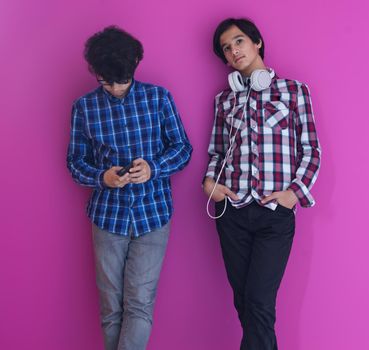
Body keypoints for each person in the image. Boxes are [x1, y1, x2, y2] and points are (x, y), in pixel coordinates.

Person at [67, 26, 192, 350]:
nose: (114, 87)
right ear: (97, 74)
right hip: (108, 219)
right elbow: (75, 162)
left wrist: (154, 168)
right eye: (107, 80)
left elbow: (182, 148)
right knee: (111, 309)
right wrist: (102, 177)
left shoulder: (159, 98)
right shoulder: (84, 107)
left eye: (119, 79)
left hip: (153, 215)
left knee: (139, 304)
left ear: (133, 65)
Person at [203, 18, 321, 349]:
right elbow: (217, 151)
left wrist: (293, 194)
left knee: (257, 302)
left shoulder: (294, 91)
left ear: (257, 43)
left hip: (274, 214)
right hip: (231, 212)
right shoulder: (224, 100)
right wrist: (210, 183)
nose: (234, 50)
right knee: (246, 304)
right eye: (227, 48)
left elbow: (311, 150)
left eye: (238, 41)